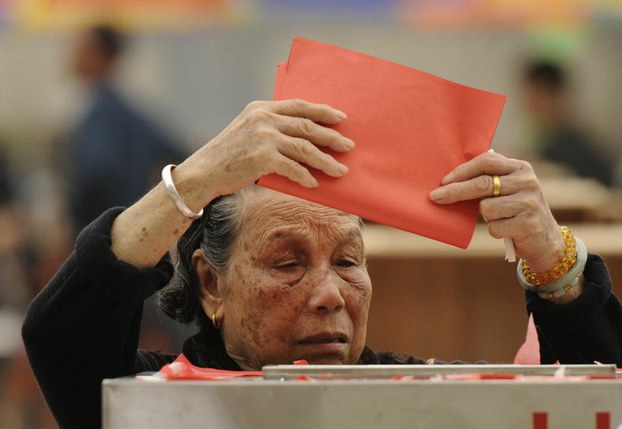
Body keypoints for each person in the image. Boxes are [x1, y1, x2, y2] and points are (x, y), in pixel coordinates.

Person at [22, 100, 622, 429]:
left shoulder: (426, 401)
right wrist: (192, 183)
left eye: (347, 261)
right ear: (211, 283)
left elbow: (596, 402)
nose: (330, 294)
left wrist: (553, 262)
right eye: (288, 263)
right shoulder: (151, 400)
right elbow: (62, 335)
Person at [65, 24, 186, 232]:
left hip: (102, 229)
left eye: (82, 48)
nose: (73, 55)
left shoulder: (102, 113)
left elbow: (98, 173)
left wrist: (72, 218)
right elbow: (178, 151)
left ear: (102, 56)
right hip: (133, 225)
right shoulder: (127, 111)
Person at [522, 60, 617, 187]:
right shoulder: (558, 142)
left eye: (533, 97)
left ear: (553, 95)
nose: (527, 105)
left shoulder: (574, 149)